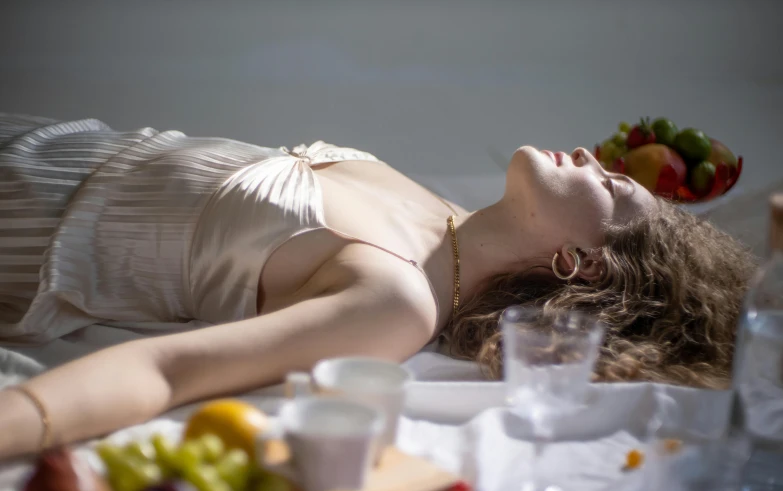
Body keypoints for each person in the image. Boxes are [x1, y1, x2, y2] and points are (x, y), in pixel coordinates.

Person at [0, 114, 755, 460]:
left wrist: (18, 422)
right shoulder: (441, 215)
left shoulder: (396, 302)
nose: (596, 158)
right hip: (40, 144)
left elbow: (163, 373)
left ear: (582, 264)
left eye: (613, 187)